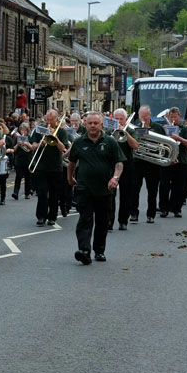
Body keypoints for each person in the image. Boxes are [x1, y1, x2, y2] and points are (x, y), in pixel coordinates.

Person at [67, 112, 125, 264]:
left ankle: (99, 250)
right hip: (84, 188)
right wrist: (70, 177)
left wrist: (115, 177)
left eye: (96, 123)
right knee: (85, 219)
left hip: (105, 189)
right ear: (85, 124)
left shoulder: (111, 141)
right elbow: (72, 162)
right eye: (90, 123)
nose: (92, 125)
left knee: (102, 221)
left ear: (101, 125)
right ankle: (84, 250)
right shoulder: (79, 142)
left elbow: (119, 162)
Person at [28, 109, 70, 226]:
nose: (49, 122)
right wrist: (39, 144)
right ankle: (41, 216)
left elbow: (63, 149)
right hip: (41, 166)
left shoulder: (61, 132)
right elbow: (33, 146)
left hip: (56, 167)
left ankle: (52, 216)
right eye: (47, 119)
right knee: (42, 192)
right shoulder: (40, 129)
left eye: (52, 119)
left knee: (54, 194)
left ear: (57, 119)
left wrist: (54, 138)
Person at [132, 106, 166, 223]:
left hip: (153, 163)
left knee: (152, 190)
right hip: (137, 162)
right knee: (135, 189)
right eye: (141, 116)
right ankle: (134, 213)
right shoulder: (135, 126)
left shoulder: (158, 127)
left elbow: (164, 143)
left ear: (149, 115)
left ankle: (150, 214)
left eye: (145, 116)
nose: (143, 118)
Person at [159, 107, 187, 218]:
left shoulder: (184, 129)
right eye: (171, 117)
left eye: (175, 117)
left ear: (179, 117)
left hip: (181, 161)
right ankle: (164, 209)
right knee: (164, 185)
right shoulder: (164, 128)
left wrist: (178, 137)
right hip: (167, 160)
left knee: (179, 186)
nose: (173, 119)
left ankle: (176, 209)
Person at [109, 108, 139, 230]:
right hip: (111, 165)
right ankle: (109, 221)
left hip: (127, 165)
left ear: (126, 119)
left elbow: (135, 145)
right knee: (110, 195)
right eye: (117, 119)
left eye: (121, 119)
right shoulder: (108, 130)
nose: (119, 121)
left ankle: (123, 221)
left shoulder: (131, 130)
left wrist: (125, 133)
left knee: (126, 195)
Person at [10, 121, 34, 201]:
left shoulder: (30, 137)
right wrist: (18, 144)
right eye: (22, 130)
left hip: (28, 159)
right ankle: (15, 192)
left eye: (25, 130)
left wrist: (27, 144)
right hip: (19, 159)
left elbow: (32, 148)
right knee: (18, 177)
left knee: (28, 177)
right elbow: (14, 149)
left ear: (28, 131)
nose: (23, 132)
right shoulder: (17, 137)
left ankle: (27, 193)